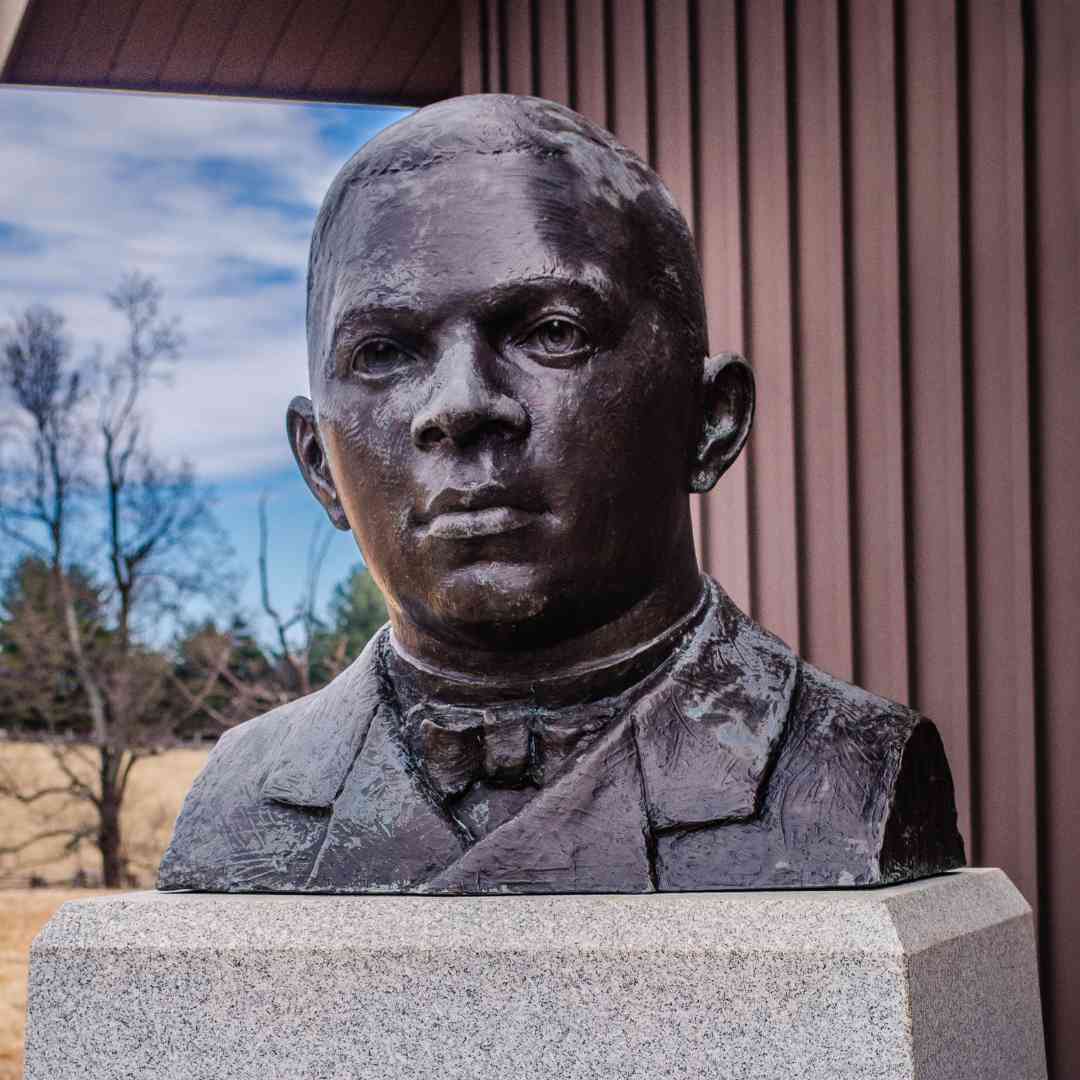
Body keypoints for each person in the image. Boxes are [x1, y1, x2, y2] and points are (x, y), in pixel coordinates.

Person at [159, 94, 964, 894]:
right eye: (383, 354)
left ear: (709, 421)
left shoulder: (850, 773)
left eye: (552, 332)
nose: (460, 406)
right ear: (319, 464)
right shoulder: (240, 805)